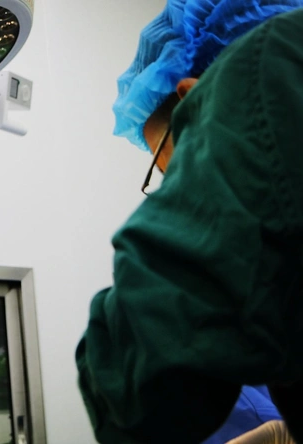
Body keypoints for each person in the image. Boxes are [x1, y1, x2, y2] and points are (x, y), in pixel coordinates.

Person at [74, 0, 303, 442]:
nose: (175, 188)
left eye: (168, 167)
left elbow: (134, 395)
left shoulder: (267, 69)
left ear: (192, 99)